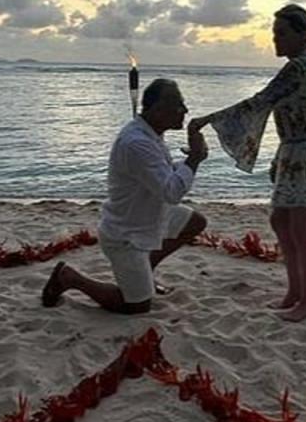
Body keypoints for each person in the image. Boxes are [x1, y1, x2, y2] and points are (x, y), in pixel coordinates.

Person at [189, 4, 306, 322]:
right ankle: (295, 293)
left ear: (302, 35)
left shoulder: (301, 67)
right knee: (281, 223)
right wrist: (279, 157)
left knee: (301, 230)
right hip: (296, 153)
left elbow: (259, 102)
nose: (275, 40)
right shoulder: (303, 66)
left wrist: (207, 119)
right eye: (274, 34)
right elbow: (272, 107)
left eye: (282, 33)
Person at [41, 78, 209, 314]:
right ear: (158, 109)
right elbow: (171, 192)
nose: (185, 111)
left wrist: (189, 161)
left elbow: (161, 177)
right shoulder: (137, 143)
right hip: (127, 234)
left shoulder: (151, 134)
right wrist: (194, 159)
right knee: (136, 306)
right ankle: (69, 278)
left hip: (150, 216)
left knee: (195, 222)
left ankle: (146, 271)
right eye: (178, 105)